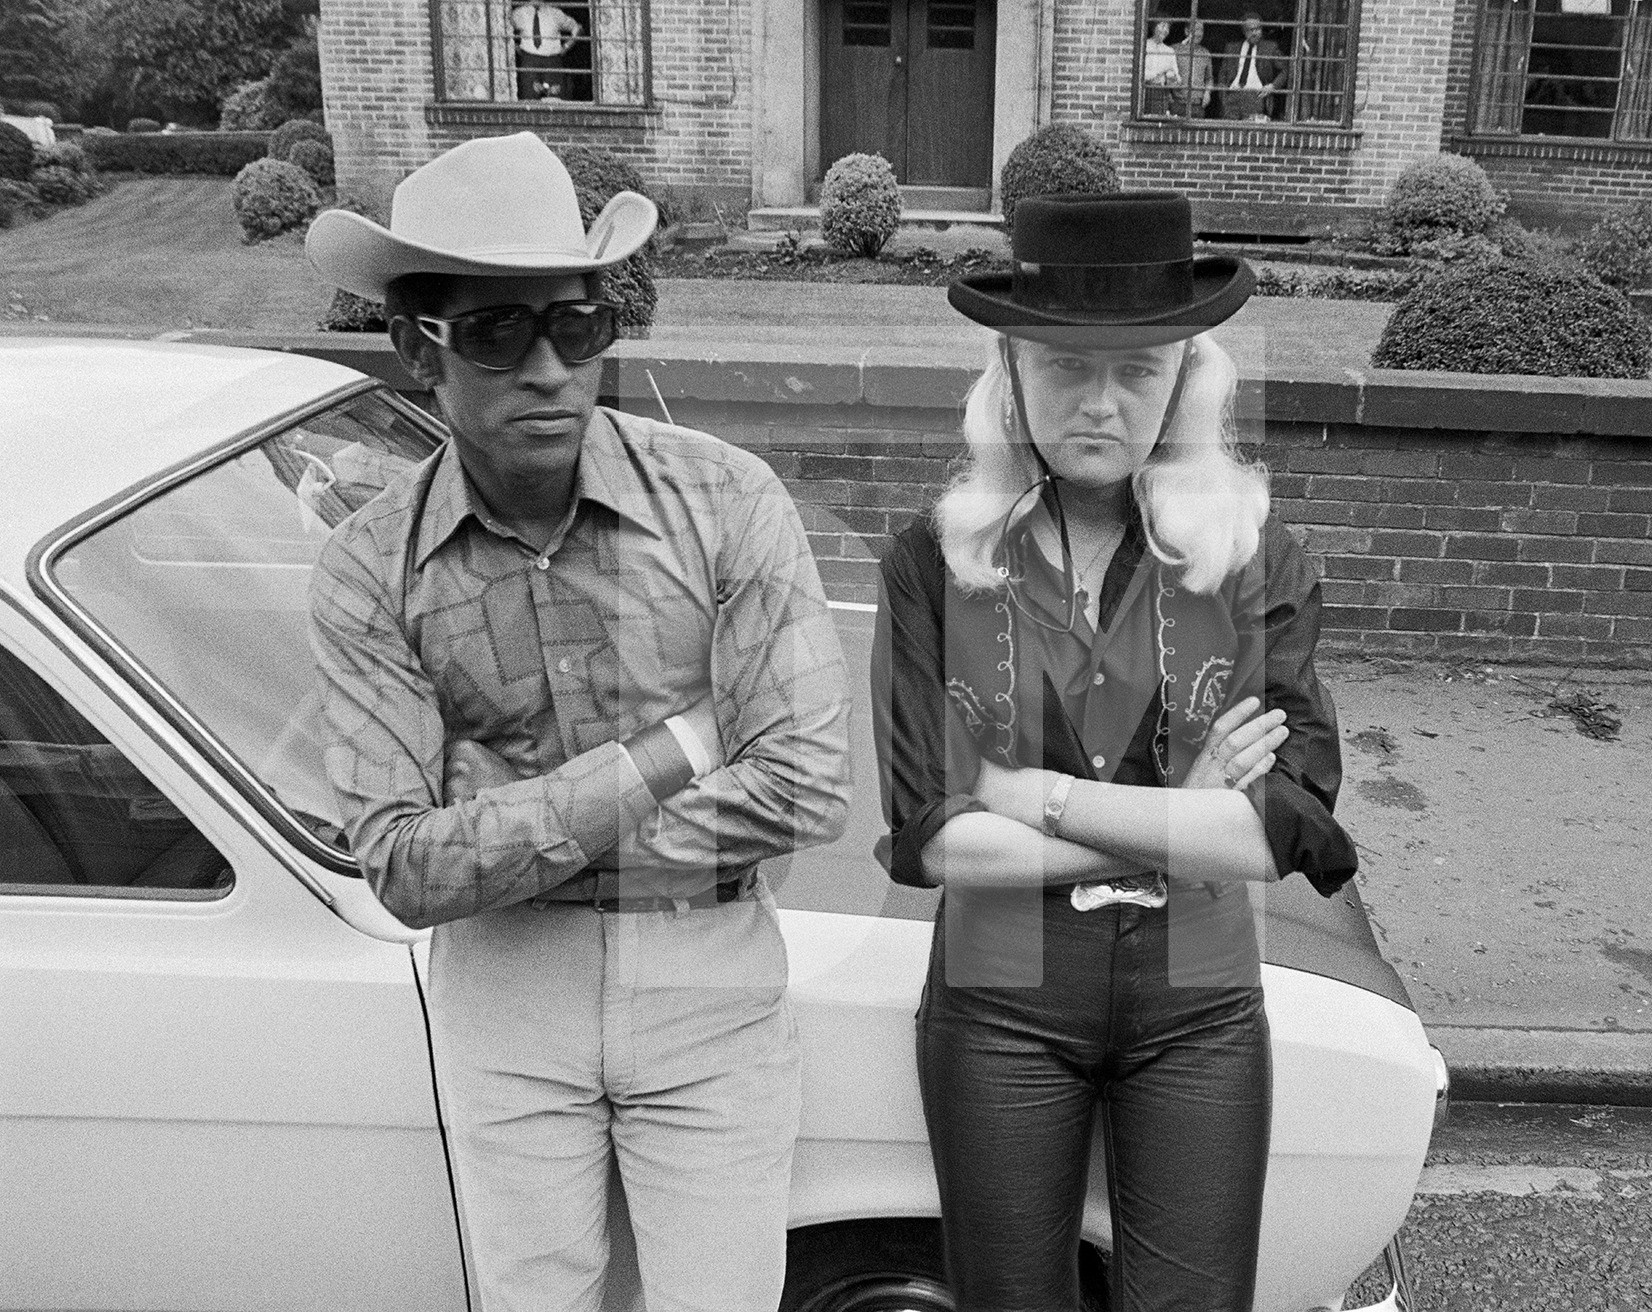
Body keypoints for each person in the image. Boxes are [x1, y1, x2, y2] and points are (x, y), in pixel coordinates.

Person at [302, 132, 851, 1312]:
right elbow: (401, 863)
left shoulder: (725, 502)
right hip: (508, 1001)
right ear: (417, 348)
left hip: (711, 987)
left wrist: (493, 810)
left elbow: (806, 788)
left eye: (579, 324)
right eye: (501, 332)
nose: (551, 367)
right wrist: (686, 745)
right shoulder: (368, 571)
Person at [871, 191, 1357, 1312]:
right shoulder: (933, 563)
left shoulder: (1248, 558)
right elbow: (936, 838)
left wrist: (1033, 792)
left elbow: (1277, 822)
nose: (1099, 401)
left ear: (1185, 377)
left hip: (1196, 1000)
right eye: (1063, 367)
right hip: (1000, 997)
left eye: (1139, 370)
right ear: (1012, 368)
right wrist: (1173, 821)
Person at [1222, 11, 1289, 121]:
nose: (1254, 33)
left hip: (1255, 96)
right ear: (1244, 31)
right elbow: (1223, 75)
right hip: (1233, 96)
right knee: (1229, 133)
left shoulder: (1270, 48)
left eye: (1257, 29)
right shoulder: (1231, 48)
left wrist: (1272, 86)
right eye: (1250, 30)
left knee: (1251, 133)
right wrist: (1224, 97)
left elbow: (1286, 69)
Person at [511, 0, 583, 99]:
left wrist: (566, 47)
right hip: (529, 61)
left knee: (554, 98)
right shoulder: (519, 13)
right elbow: (502, 27)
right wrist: (514, 46)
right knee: (529, 98)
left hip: (552, 61)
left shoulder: (555, 13)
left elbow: (577, 28)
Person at [1175, 19, 1218, 120]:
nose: (1199, 33)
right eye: (1196, 29)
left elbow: (1209, 78)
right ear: (1186, 31)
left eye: (1201, 30)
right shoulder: (1175, 50)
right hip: (1177, 102)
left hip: (1197, 105)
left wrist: (1207, 93)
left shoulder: (1205, 53)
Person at [1141, 20, 1182, 117]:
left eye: (1167, 28)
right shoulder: (1144, 46)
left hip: (1162, 93)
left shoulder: (1169, 51)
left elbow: (1177, 79)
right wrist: (1160, 71)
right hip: (1145, 91)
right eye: (1162, 26)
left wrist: (1172, 78)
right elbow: (1141, 74)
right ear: (1154, 27)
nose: (1165, 30)